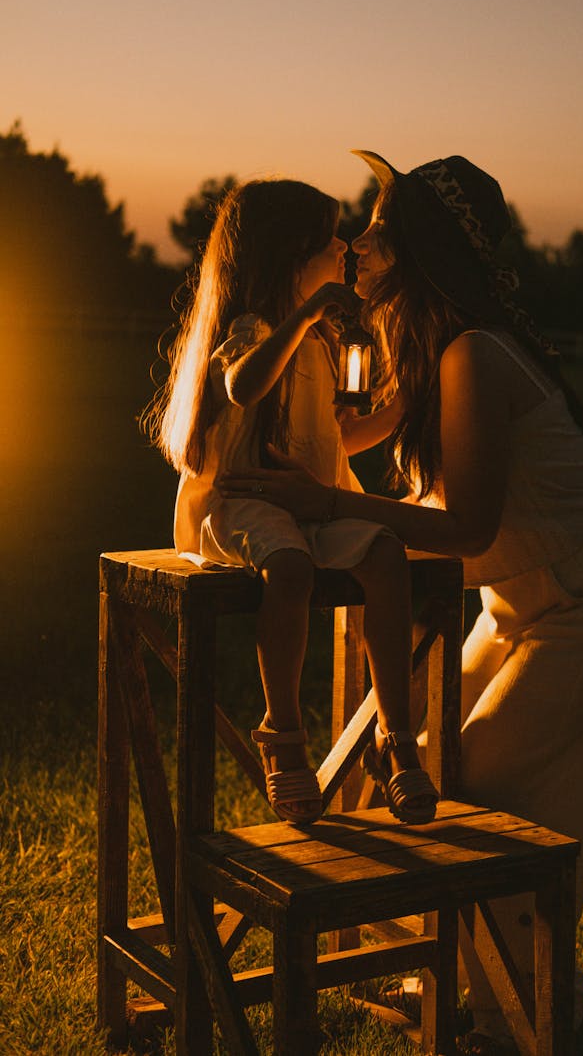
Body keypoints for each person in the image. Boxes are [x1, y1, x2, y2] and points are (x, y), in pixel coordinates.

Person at [218, 152, 583, 1049]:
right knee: (426, 766)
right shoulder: (431, 356)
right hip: (523, 601)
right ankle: (486, 988)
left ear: (420, 249)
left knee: (486, 792)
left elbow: (464, 526)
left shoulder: (472, 355)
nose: (361, 241)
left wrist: (331, 505)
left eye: (381, 228)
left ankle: (523, 1013)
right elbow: (341, 436)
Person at [143, 178, 438, 827]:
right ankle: (283, 732)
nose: (344, 247)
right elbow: (245, 386)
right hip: (245, 505)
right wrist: (303, 317)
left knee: (386, 554)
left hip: (311, 506)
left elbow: (333, 438)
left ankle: (395, 738)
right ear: (288, 257)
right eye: (327, 239)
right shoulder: (255, 329)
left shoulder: (317, 344)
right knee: (292, 569)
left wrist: (401, 406)